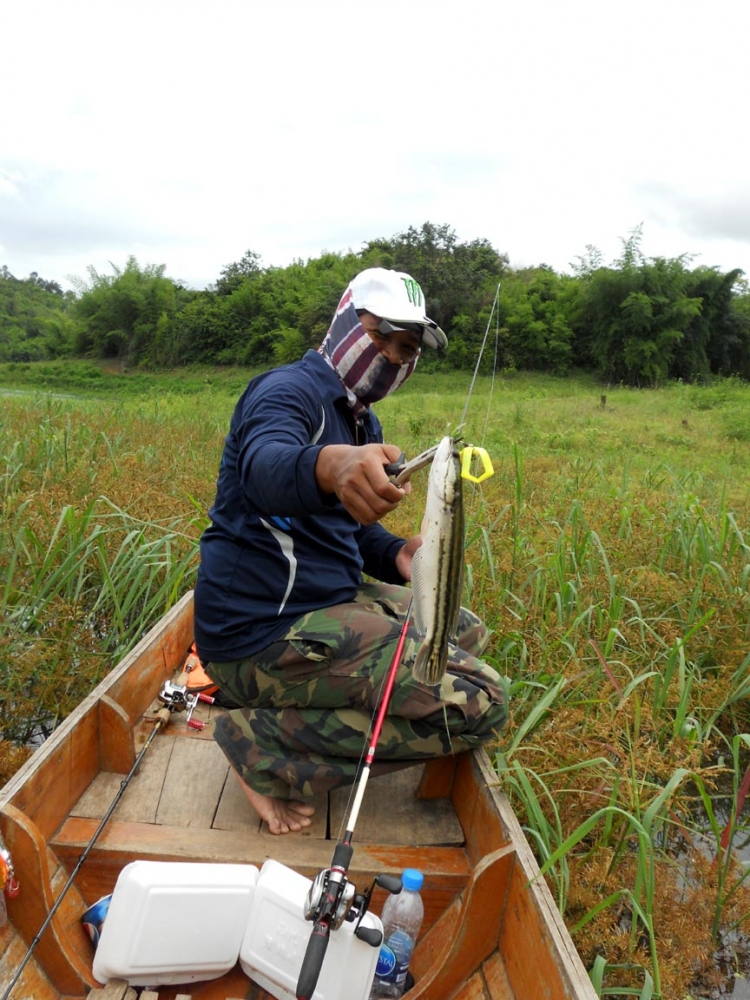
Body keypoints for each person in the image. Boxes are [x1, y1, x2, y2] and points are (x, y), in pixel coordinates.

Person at [194, 267, 507, 834]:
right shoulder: (287, 392)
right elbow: (265, 467)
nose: (391, 356)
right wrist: (331, 465)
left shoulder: (363, 420)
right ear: (344, 321)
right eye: (380, 335)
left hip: (325, 603)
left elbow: (349, 531)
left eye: (406, 348)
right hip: (258, 632)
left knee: (462, 630)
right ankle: (258, 745)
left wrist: (397, 555)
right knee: (481, 699)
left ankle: (306, 709)